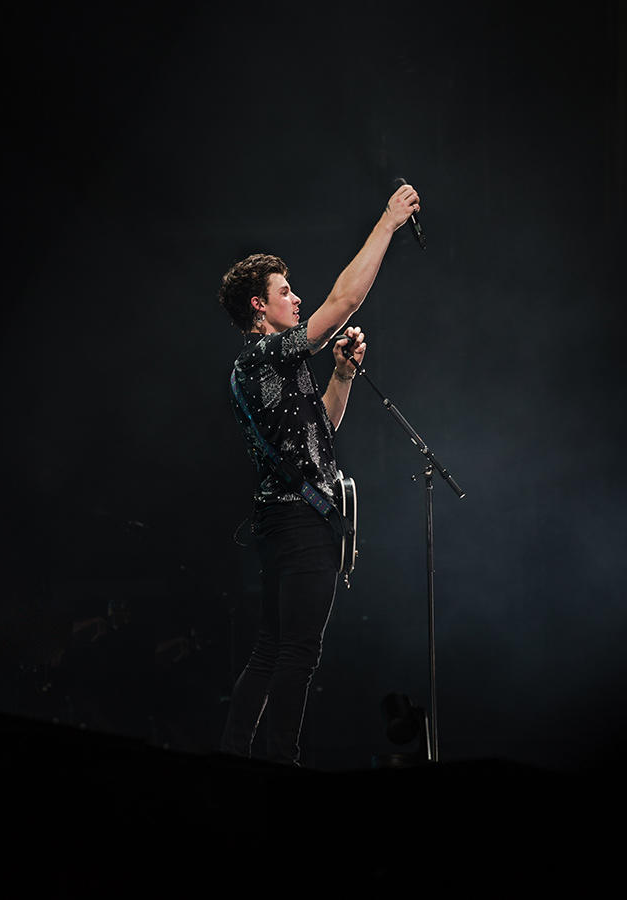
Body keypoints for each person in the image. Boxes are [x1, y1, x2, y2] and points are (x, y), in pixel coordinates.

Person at [218, 182, 421, 766]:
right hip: (298, 524)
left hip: (285, 521)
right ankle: (283, 765)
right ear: (259, 306)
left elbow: (320, 434)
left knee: (273, 648)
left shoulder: (275, 367)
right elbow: (344, 300)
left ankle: (236, 757)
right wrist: (387, 222)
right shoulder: (263, 355)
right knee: (296, 654)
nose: (297, 299)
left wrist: (343, 375)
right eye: (285, 292)